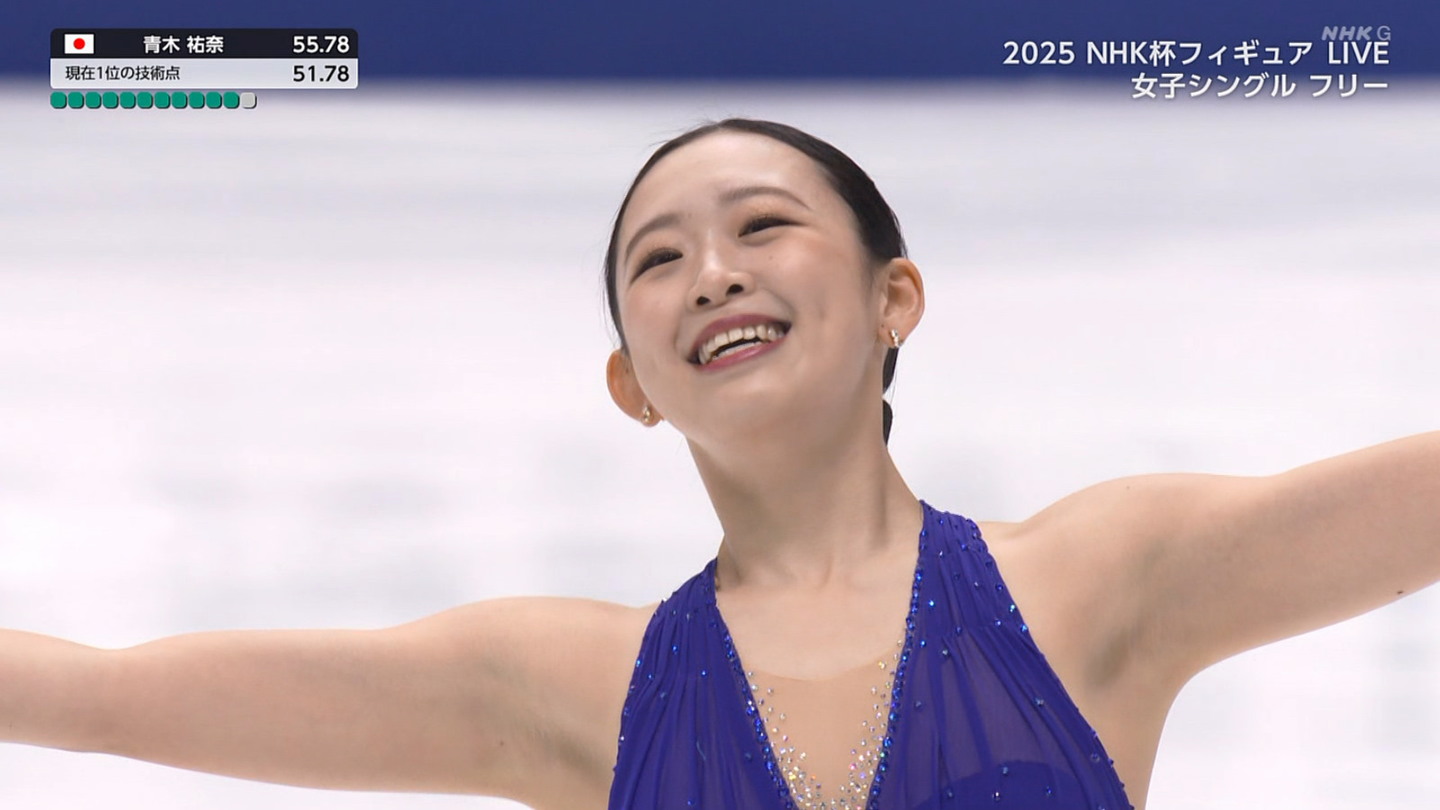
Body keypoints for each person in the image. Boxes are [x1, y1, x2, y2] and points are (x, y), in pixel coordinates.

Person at [2, 118, 1437, 810]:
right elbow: (97, 696)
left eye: (762, 226)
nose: (711, 272)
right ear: (631, 383)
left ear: (895, 298)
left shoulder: (1103, 577)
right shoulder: (564, 684)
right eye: (658, 258)